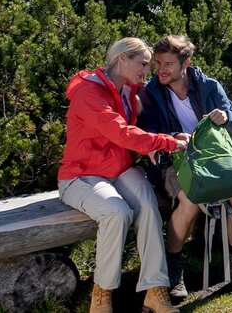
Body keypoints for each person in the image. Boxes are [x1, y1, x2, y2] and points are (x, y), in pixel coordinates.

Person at [58, 38, 190, 313]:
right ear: (121, 60)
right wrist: (162, 143)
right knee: (117, 212)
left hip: (118, 170)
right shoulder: (88, 93)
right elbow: (119, 132)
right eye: (143, 64)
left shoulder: (128, 91)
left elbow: (142, 126)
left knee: (148, 205)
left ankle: (156, 292)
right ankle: (101, 298)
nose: (147, 70)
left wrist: (165, 137)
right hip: (81, 176)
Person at [138, 35, 232, 300]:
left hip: (214, 158)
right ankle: (174, 268)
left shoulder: (208, 87)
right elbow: (145, 132)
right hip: (175, 161)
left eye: (168, 63)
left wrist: (225, 117)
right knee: (190, 200)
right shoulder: (150, 92)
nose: (161, 69)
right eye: (158, 63)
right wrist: (171, 138)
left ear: (186, 62)